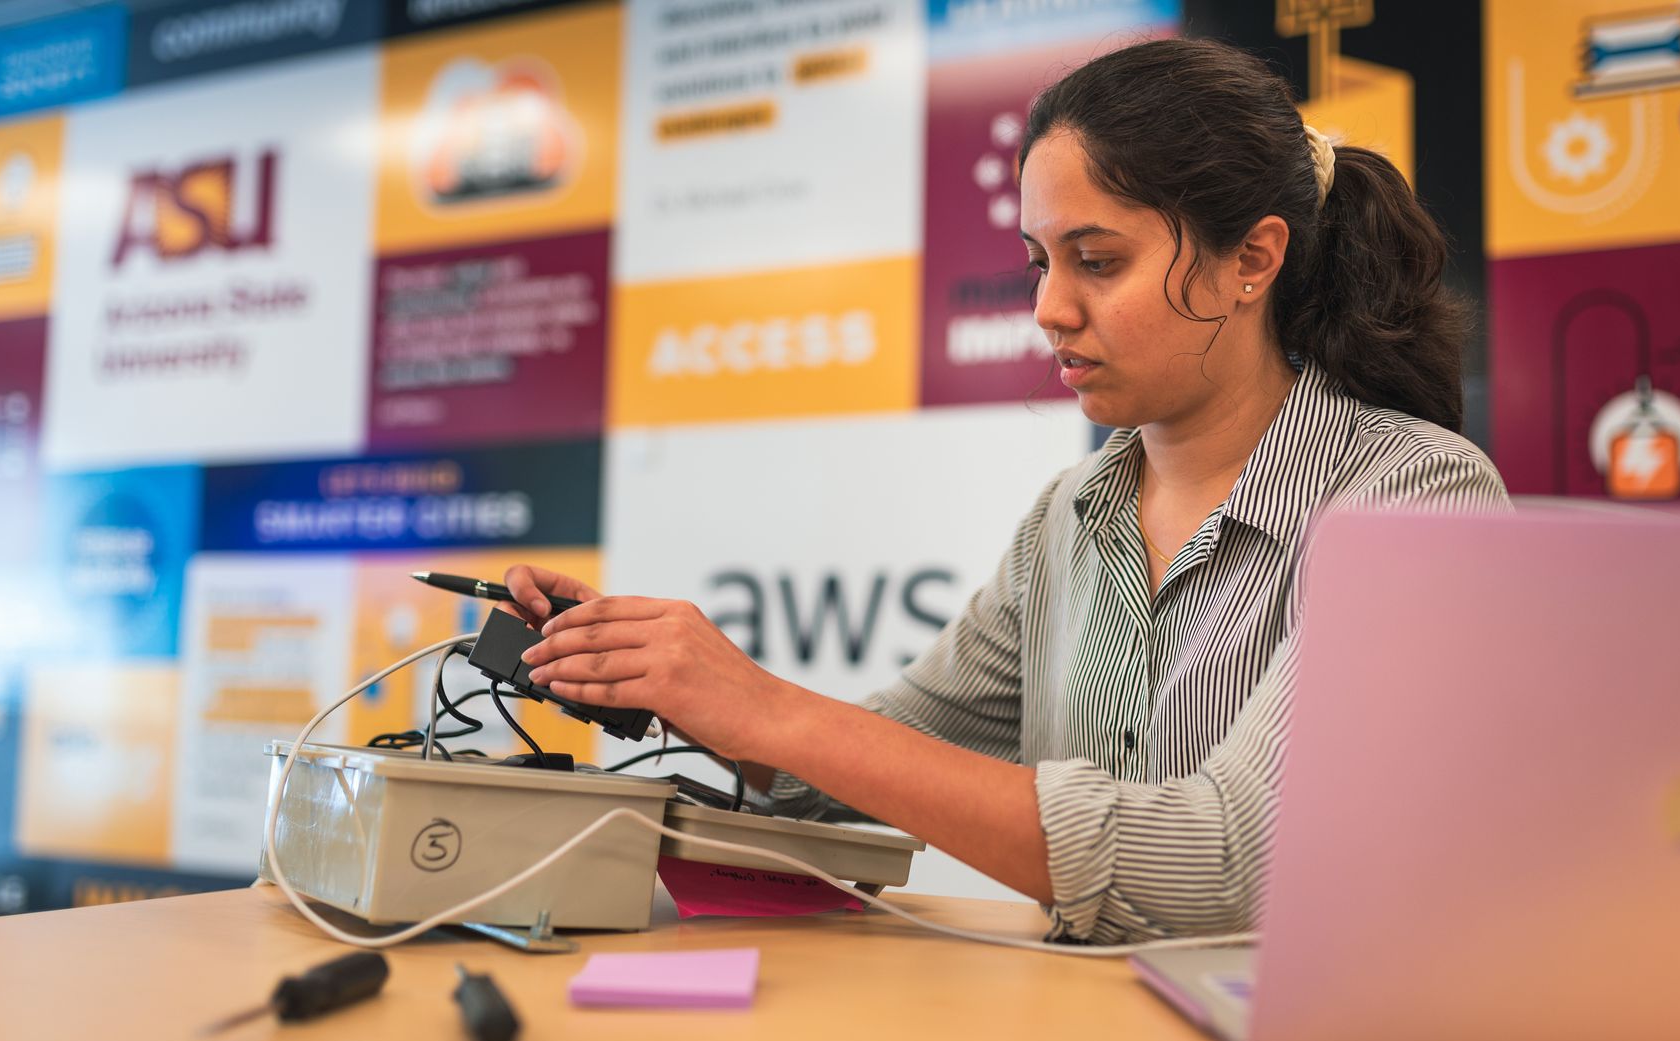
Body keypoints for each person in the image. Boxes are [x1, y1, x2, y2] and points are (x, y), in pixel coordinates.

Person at [505, 38, 1509, 945]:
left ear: (1253, 259)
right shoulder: (1068, 519)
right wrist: (681, 691)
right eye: (1037, 262)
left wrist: (767, 708)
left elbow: (1232, 866)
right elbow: (868, 777)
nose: (1047, 309)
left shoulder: (1414, 496)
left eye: (1097, 261)